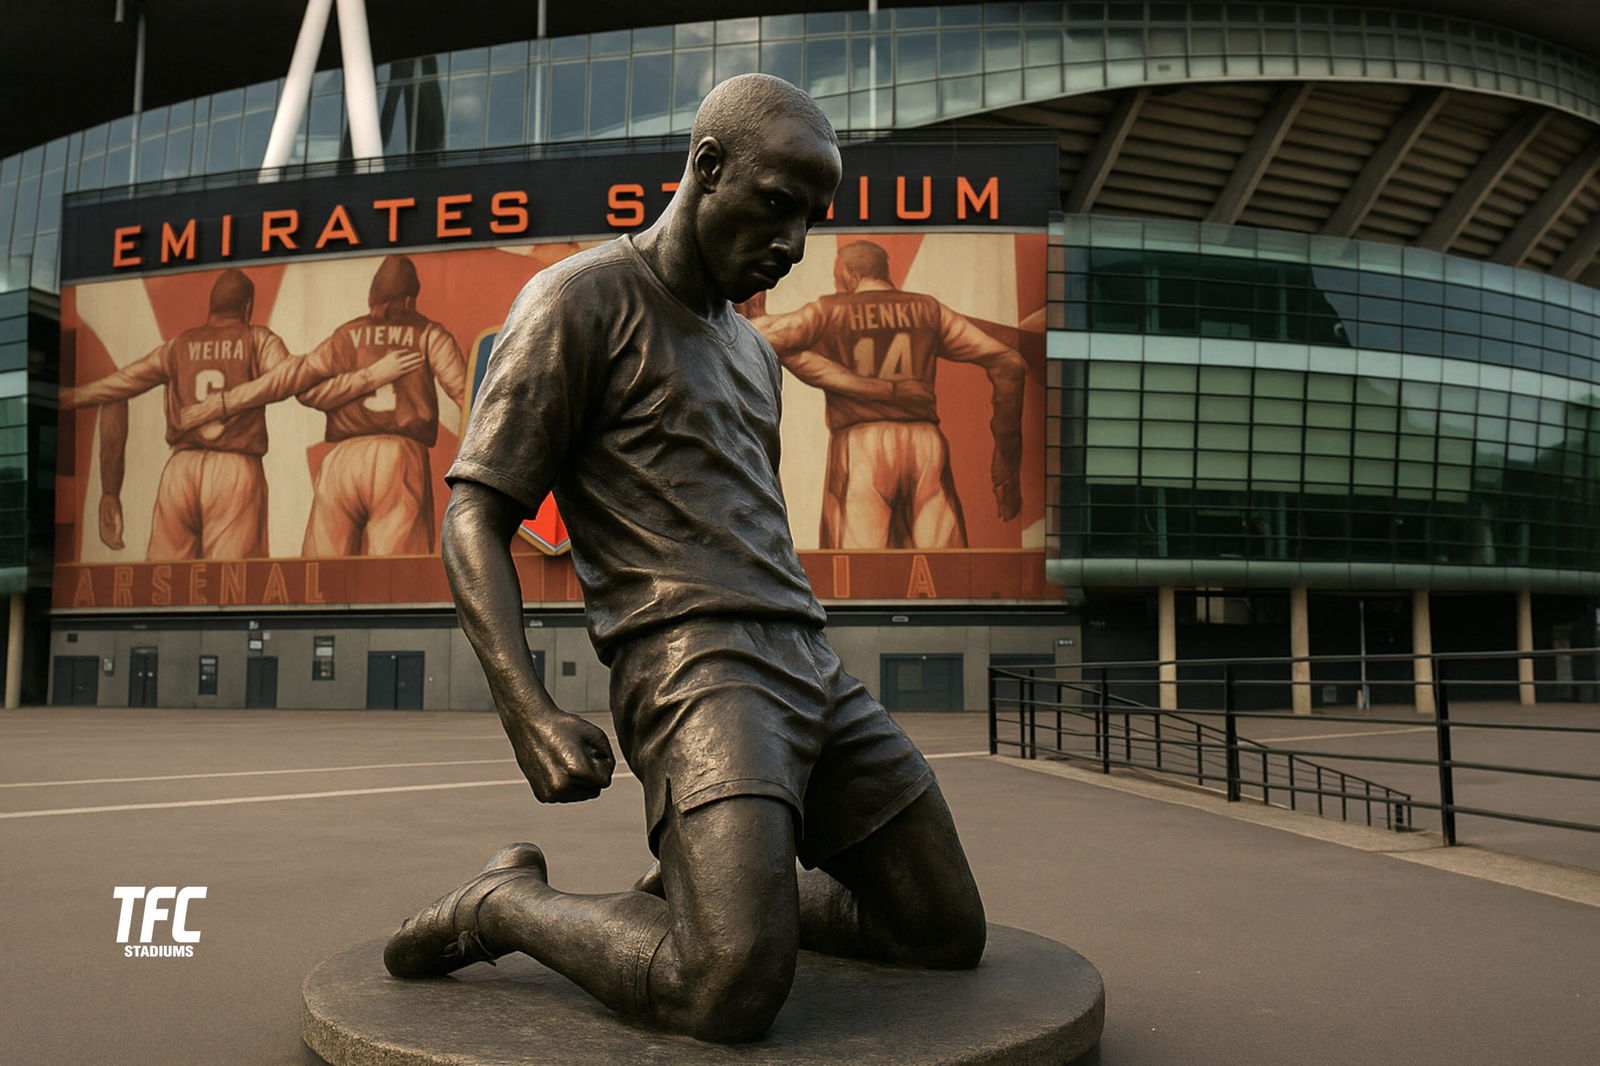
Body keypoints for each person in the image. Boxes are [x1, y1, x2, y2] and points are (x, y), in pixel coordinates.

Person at [383, 74, 986, 1044]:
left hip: (809, 668)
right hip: (696, 671)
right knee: (728, 986)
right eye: (778, 206)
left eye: (813, 220)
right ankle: (504, 904)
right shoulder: (580, 299)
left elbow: (748, 531)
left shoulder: (753, 356)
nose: (794, 243)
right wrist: (527, 708)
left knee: (941, 926)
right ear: (707, 169)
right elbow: (473, 516)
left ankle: (725, 891)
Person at [65, 269, 422, 560]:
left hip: (179, 469)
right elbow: (296, 381)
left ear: (212, 307)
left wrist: (109, 492)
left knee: (166, 587)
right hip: (234, 470)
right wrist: (365, 378)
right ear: (248, 307)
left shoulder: (176, 347)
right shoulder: (258, 340)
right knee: (231, 588)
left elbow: (115, 390)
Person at [742, 240, 1026, 549]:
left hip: (861, 446)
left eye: (838, 277)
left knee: (857, 572)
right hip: (926, 444)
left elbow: (760, 339)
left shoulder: (829, 310)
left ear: (850, 276)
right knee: (944, 570)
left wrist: (756, 317)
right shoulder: (928, 310)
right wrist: (1006, 462)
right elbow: (1009, 362)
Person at [178, 255, 466, 556]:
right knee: (394, 576)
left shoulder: (346, 335)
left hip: (340, 461)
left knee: (322, 573)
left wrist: (220, 404)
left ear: (372, 296)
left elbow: (298, 384)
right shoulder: (431, 334)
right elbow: (463, 394)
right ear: (411, 298)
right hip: (399, 457)